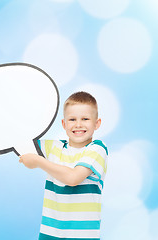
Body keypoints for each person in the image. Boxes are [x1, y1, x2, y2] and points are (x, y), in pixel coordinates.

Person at [19, 91, 108, 240]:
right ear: (64, 124)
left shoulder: (97, 149)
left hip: (83, 236)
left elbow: (73, 178)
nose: (78, 124)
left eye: (85, 119)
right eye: (72, 119)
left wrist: (38, 161)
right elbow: (23, 140)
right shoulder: (53, 147)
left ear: (96, 123)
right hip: (50, 234)